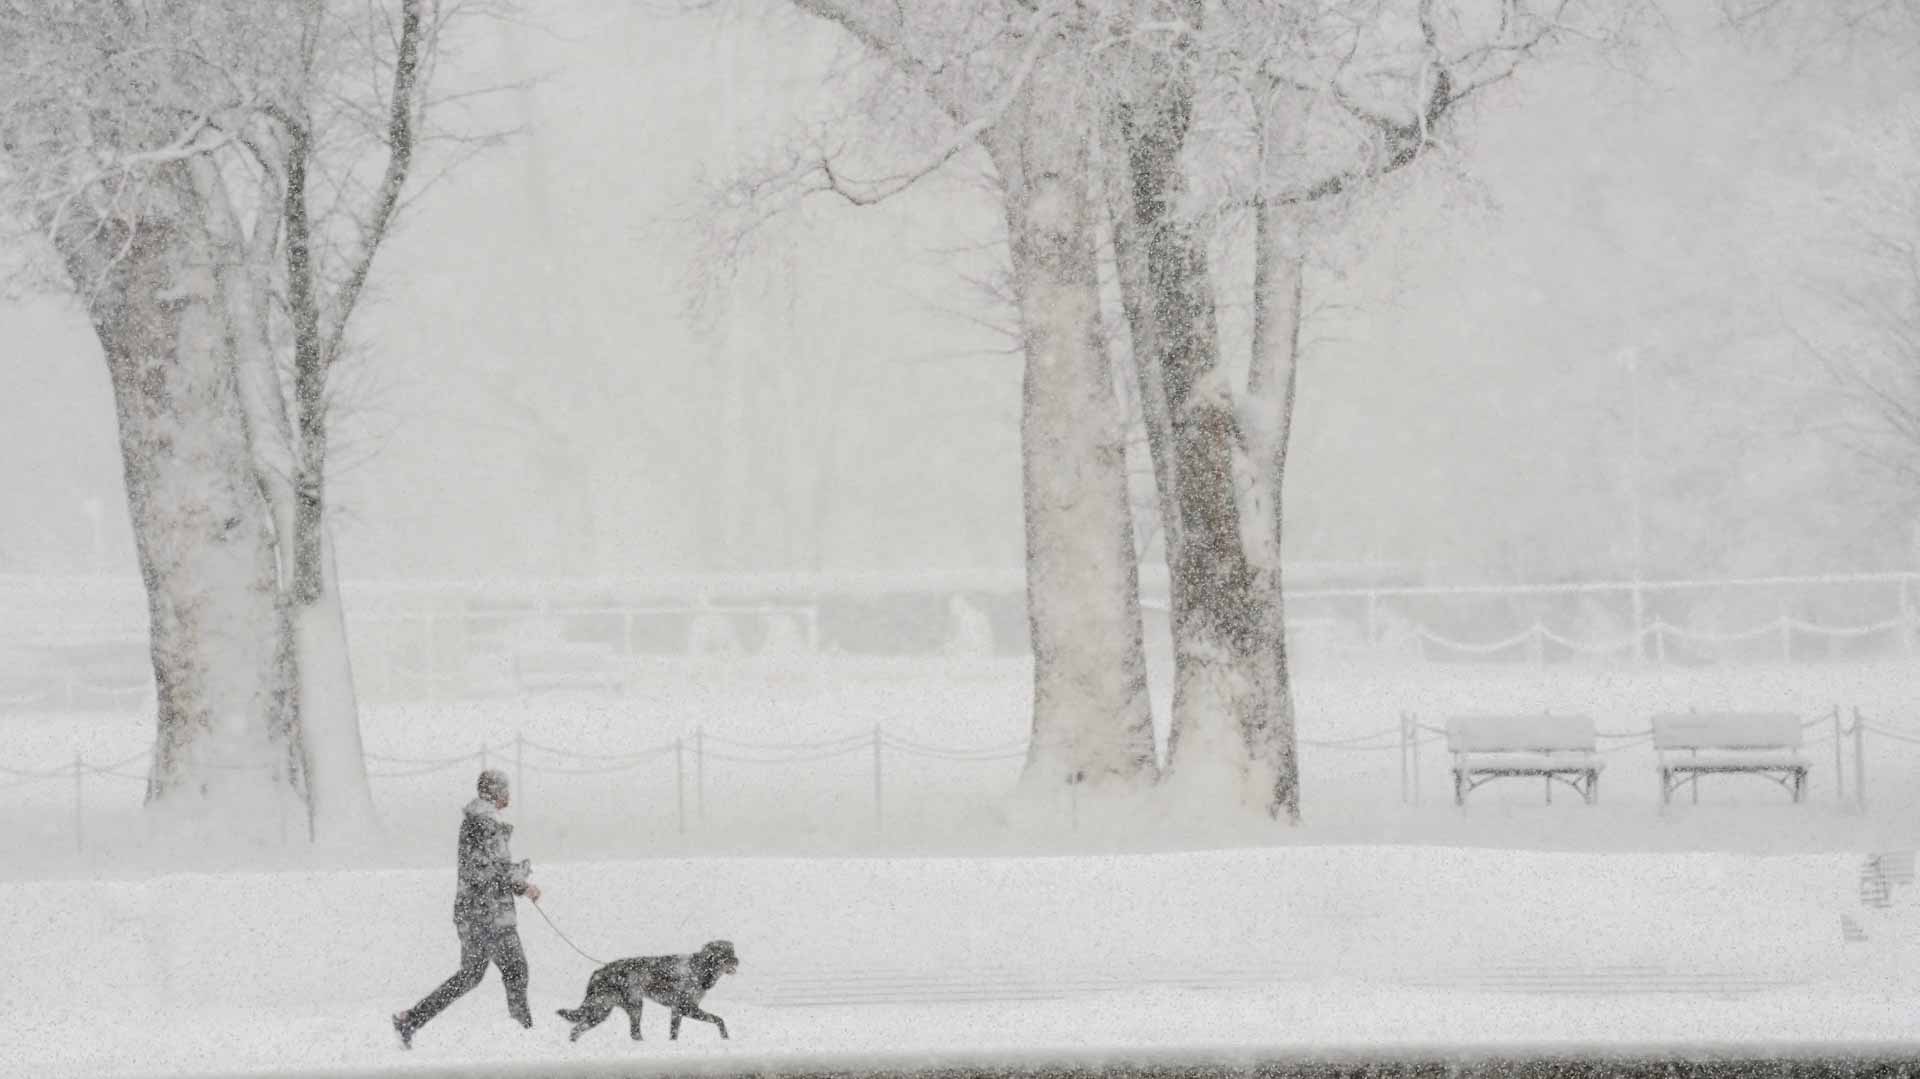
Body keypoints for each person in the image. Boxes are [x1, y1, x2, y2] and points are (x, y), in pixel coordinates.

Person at [392, 769, 543, 1048]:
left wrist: (517, 875)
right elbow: (494, 870)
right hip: (489, 914)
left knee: (470, 975)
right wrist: (523, 883)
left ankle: (410, 1019)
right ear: (495, 793)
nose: (509, 796)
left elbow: (486, 868)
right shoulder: (485, 823)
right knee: (516, 970)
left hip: (473, 913)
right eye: (505, 790)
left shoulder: (478, 821)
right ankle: (523, 1035)